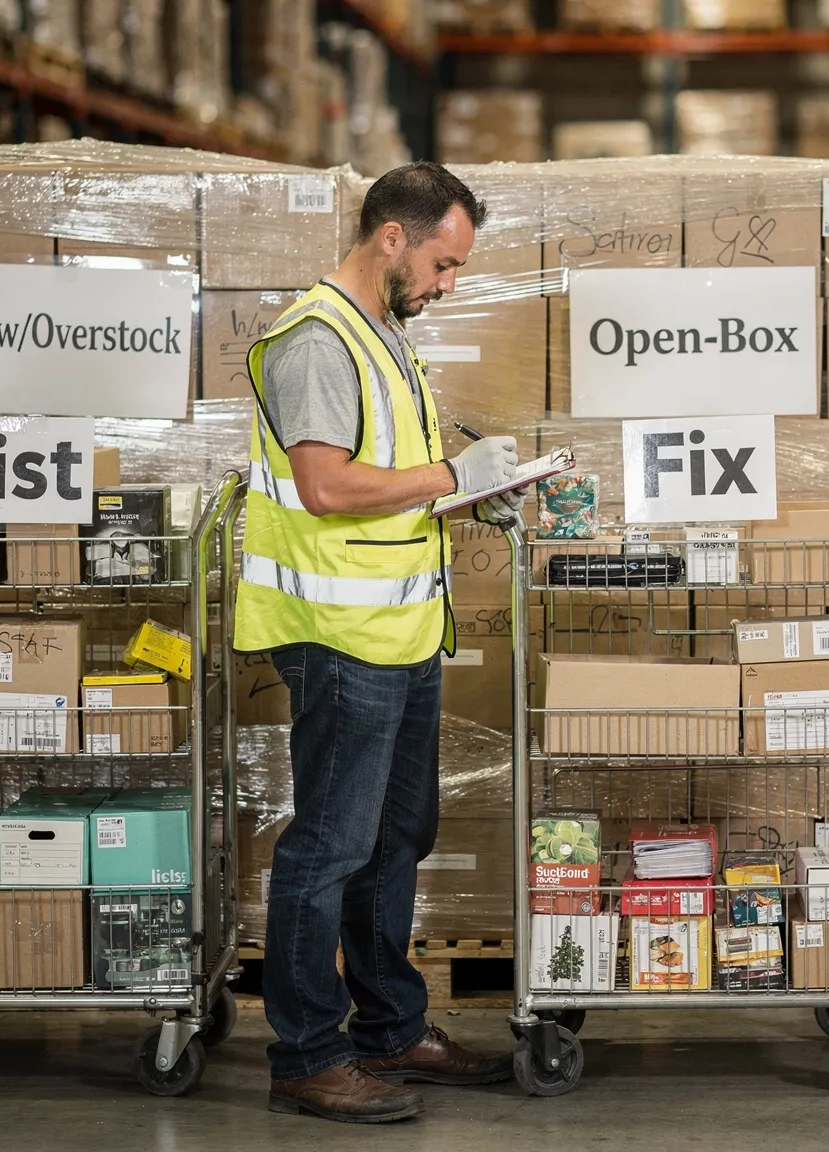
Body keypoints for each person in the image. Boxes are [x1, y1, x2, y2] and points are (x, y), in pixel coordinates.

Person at [235, 161, 523, 1124]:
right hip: (338, 635)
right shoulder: (316, 341)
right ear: (392, 238)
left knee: (398, 837)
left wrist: (477, 474)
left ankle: (390, 1030)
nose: (447, 286)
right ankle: (308, 1054)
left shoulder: (384, 334)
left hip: (399, 630)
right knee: (329, 845)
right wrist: (451, 474)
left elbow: (395, 466)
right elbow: (326, 487)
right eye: (443, 264)